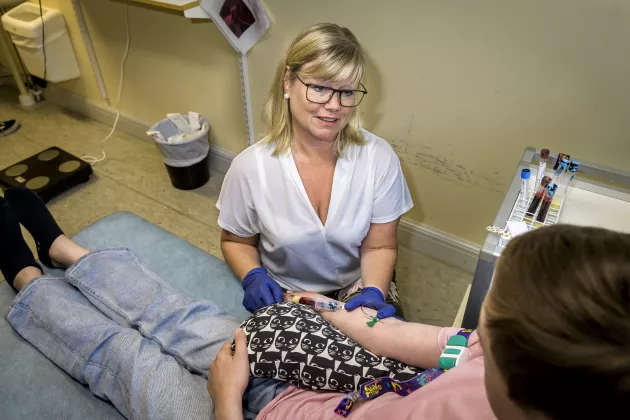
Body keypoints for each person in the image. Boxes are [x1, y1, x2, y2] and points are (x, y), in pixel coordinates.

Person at [3, 187, 630, 420]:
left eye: (487, 332)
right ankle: (65, 249)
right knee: (181, 316)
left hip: (249, 414)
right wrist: (336, 315)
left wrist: (226, 400)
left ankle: (26, 277)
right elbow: (435, 346)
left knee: (127, 363)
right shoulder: (490, 361)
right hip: (315, 380)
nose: (474, 334)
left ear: (520, 382)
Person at [217, 23, 413, 318]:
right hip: (286, 290)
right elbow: (235, 241)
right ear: (288, 82)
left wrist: (372, 290)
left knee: (388, 356)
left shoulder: (378, 158)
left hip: (359, 283)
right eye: (319, 87)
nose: (334, 106)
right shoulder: (250, 169)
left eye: (346, 92)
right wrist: (253, 276)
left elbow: (379, 247)